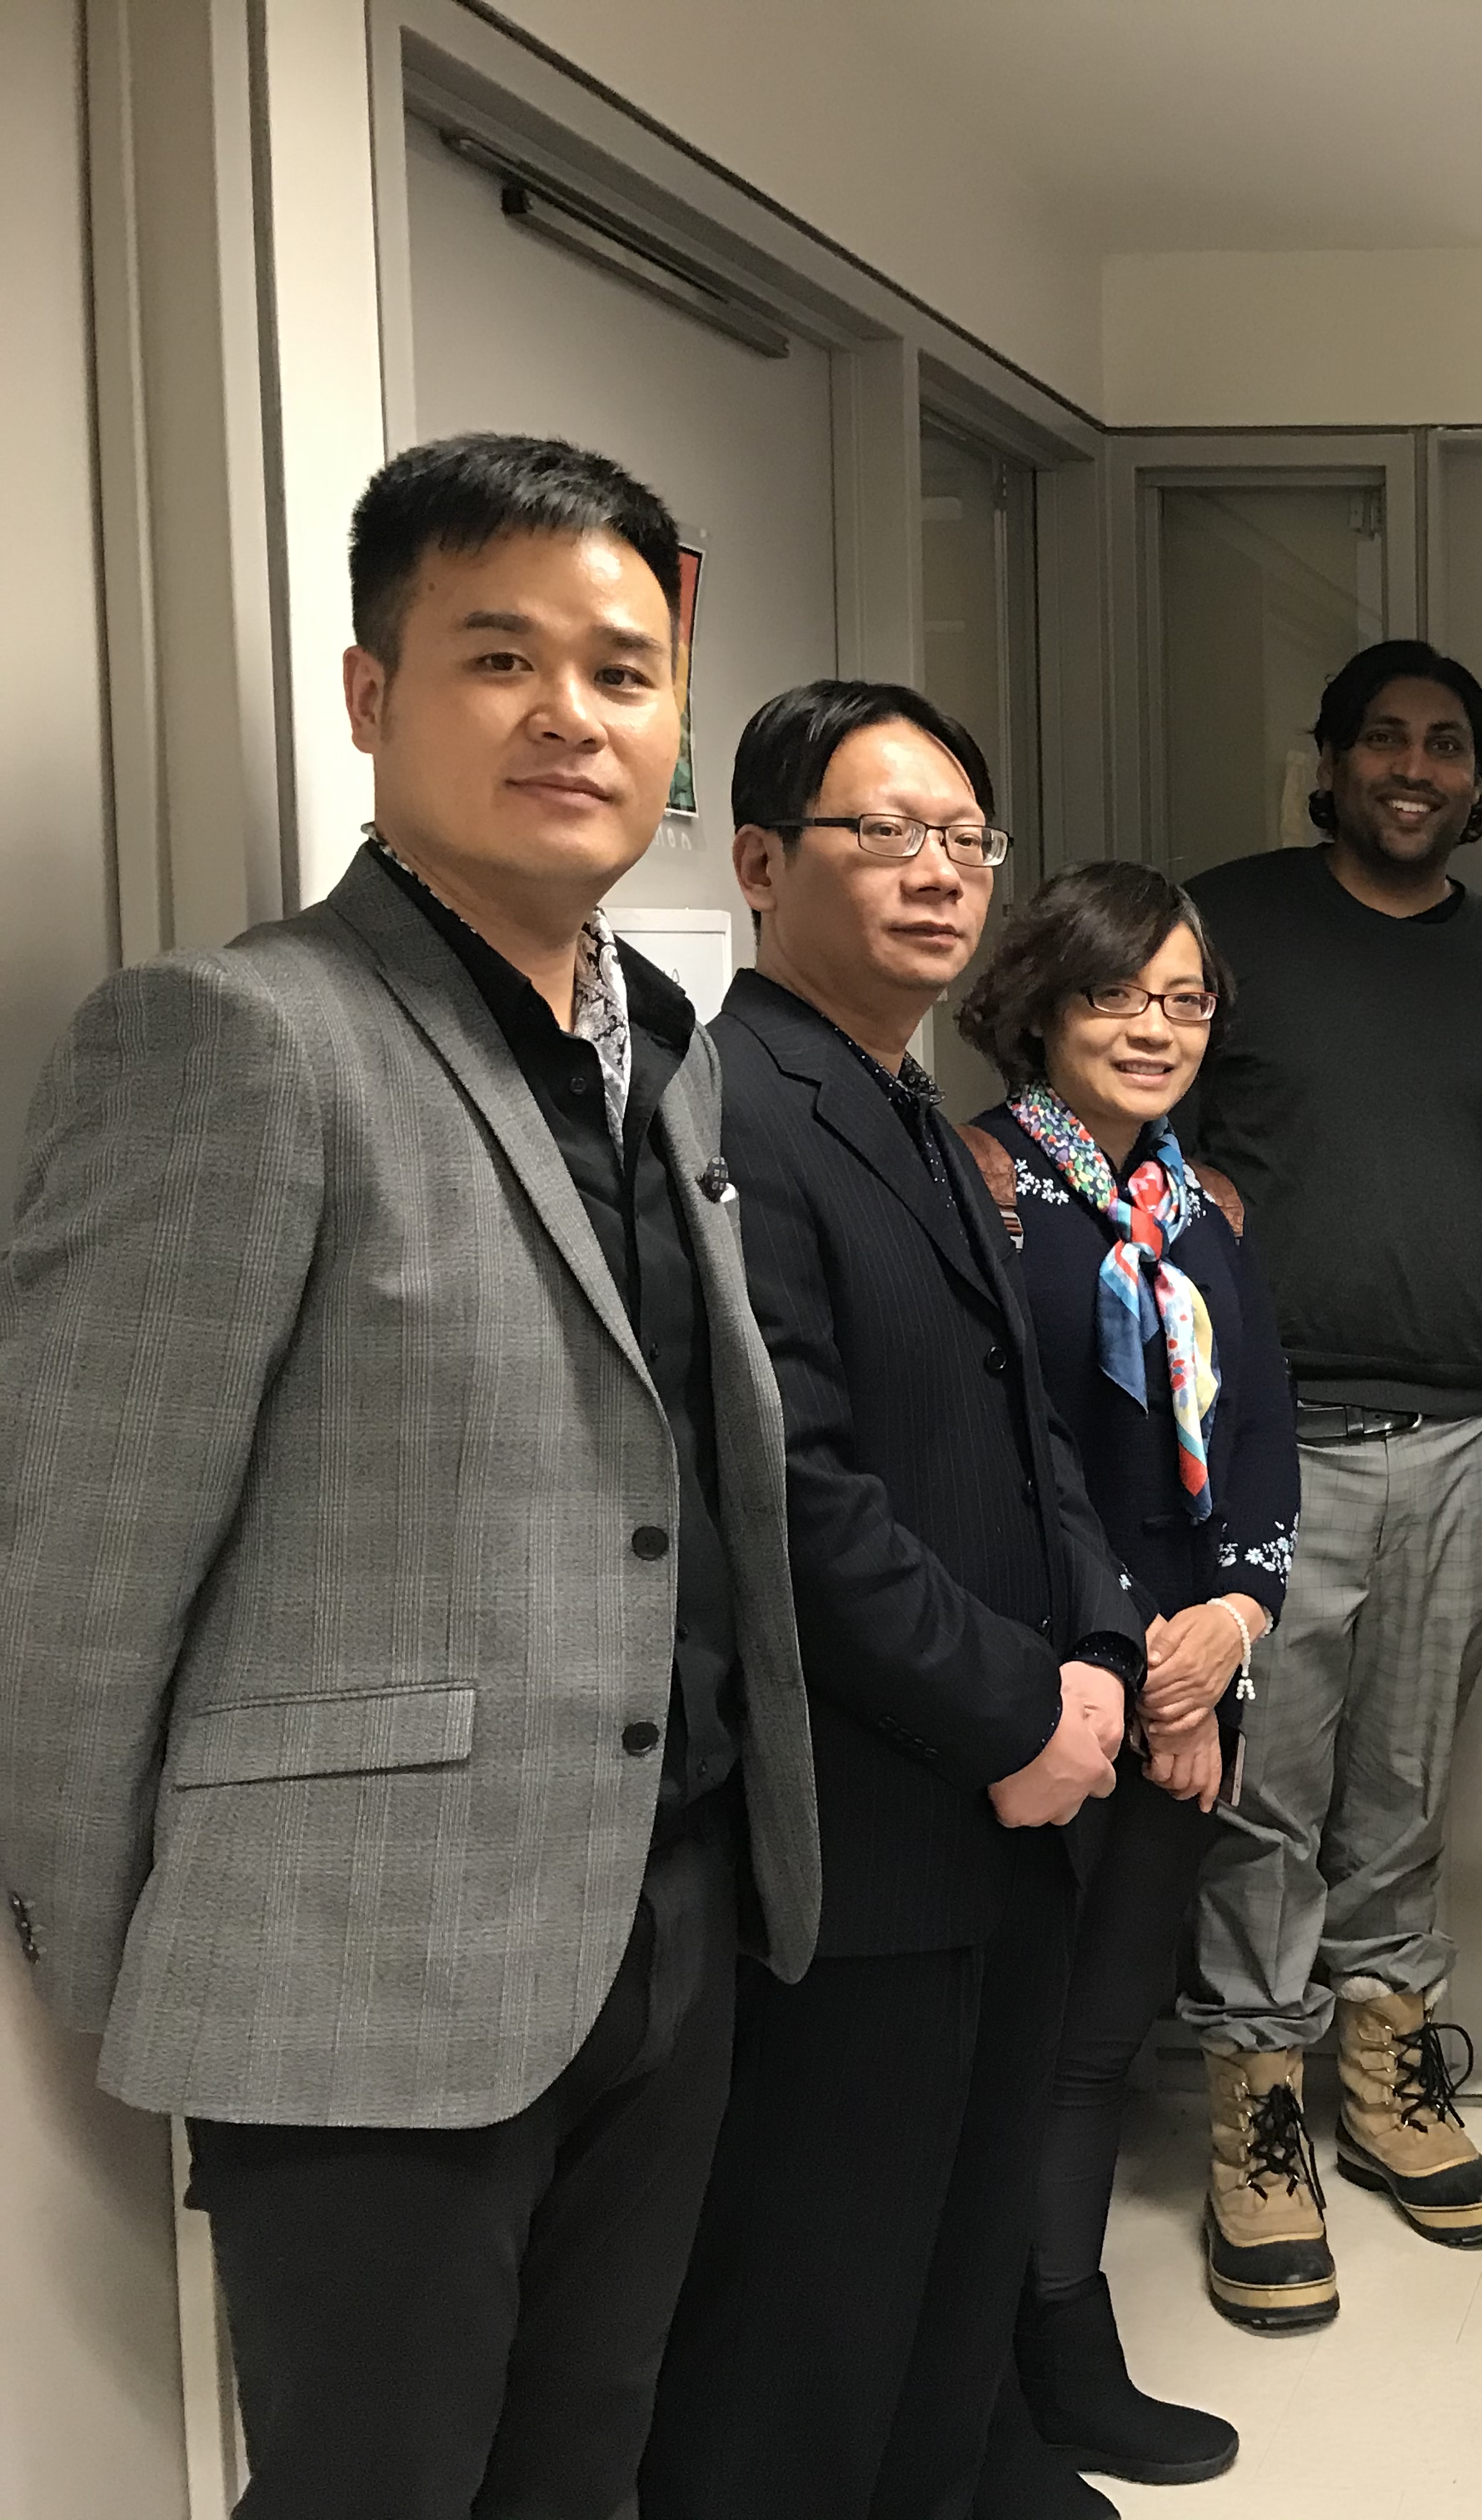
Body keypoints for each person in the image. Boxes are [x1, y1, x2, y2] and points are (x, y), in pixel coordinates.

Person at [0, 434, 816, 2520]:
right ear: (372, 695)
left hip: (671, 1916)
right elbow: (78, 1567)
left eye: (623, 673)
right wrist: (114, 1979)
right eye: (500, 658)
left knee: (585, 2470)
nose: (572, 716)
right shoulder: (235, 1040)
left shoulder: (661, 1042)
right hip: (360, 1964)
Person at [639, 682, 1141, 2520]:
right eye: (887, 833)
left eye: (966, 839)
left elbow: (1031, 1431)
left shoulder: (918, 1104)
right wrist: (1018, 1714)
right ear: (762, 863)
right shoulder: (734, 1111)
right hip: (867, 1831)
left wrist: (1098, 1654)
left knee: (954, 2268)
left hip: (1007, 1803)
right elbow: (790, 1495)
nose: (940, 873)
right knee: (817, 2315)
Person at [1174, 638, 1482, 2323]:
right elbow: (1119, 1114)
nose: (1414, 769)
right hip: (1271, 1450)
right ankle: (1257, 2124)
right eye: (1385, 740)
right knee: (1263, 1802)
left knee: (1406, 1794)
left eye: (1445, 746)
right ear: (1333, 761)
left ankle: (1390, 2088)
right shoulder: (1225, 929)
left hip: (1469, 1448)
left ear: (1478, 783)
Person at [952, 863, 1300, 2485]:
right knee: (1007, 2048)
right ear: (1039, 1005)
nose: (1156, 1029)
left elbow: (1259, 1437)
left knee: (1099, 2037)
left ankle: (1067, 2344)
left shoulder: (1199, 1210)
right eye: (1116, 995)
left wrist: (1235, 1627)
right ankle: (990, 2376)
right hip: (1046, 1695)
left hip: (1183, 1685)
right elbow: (1005, 1465)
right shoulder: (982, 1188)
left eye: (1185, 1000)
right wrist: (1142, 1668)